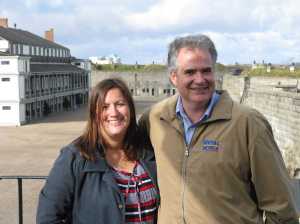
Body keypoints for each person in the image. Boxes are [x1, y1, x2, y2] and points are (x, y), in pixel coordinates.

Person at [139, 34, 299, 223]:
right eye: (190, 72)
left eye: (206, 71)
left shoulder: (248, 124)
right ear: (174, 77)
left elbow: (281, 209)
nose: (200, 79)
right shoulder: (155, 119)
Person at [37, 78, 159, 224]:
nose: (113, 112)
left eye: (120, 104)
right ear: (94, 114)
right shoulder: (74, 157)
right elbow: (47, 218)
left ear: (130, 110)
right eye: (104, 107)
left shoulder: (147, 152)